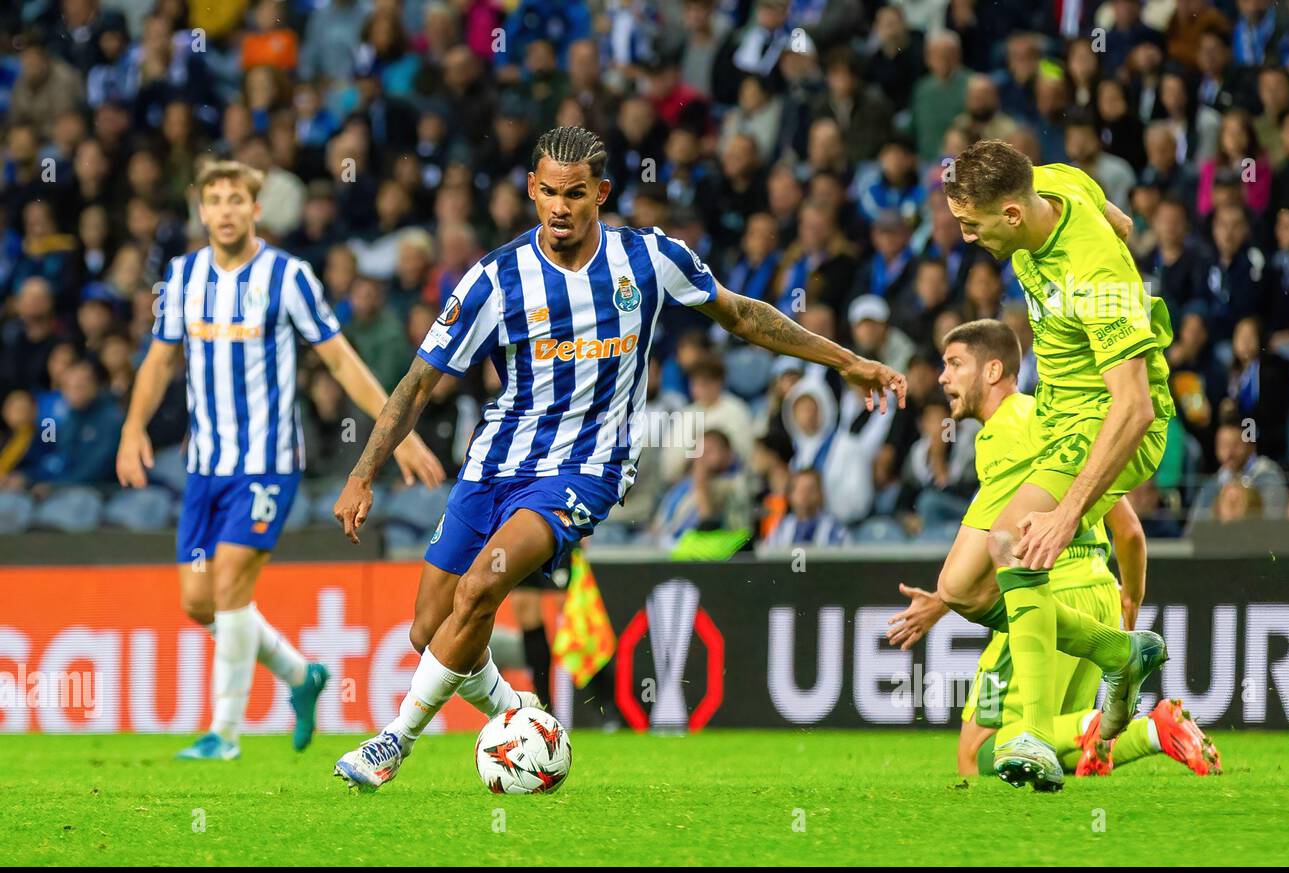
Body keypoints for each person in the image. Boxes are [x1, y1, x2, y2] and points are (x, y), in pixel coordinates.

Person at [329, 127, 906, 790]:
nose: (560, 206)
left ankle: (393, 741)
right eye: (548, 191)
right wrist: (362, 472)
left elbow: (744, 317)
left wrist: (847, 360)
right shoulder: (495, 279)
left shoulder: (650, 260)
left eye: (575, 193)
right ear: (531, 190)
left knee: (482, 586)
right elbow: (418, 384)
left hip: (587, 468)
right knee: (427, 629)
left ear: (601, 193)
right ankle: (519, 714)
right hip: (494, 463)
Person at [115, 160, 442, 761]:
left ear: (256, 209)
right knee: (199, 601)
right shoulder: (182, 276)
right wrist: (133, 425)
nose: (227, 209)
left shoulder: (288, 276)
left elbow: (341, 360)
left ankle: (224, 734)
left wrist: (399, 435)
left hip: (267, 463)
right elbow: (160, 360)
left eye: (237, 198)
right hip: (205, 465)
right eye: (214, 199)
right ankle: (300, 675)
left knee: (232, 585)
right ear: (202, 211)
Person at [886, 320, 1220, 779]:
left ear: (993, 370)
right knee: (1056, 748)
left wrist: (948, 598)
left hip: (1044, 594)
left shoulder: (1000, 433)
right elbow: (1129, 531)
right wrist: (1130, 598)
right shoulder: (1056, 428)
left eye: (954, 364)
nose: (943, 377)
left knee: (977, 753)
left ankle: (1150, 727)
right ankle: (1145, 719)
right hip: (1100, 593)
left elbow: (989, 557)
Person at [943, 139, 1176, 790]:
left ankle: (1034, 733)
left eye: (972, 225)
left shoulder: (1096, 279)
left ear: (1013, 216)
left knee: (1017, 545)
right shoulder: (1051, 181)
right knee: (963, 590)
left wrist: (1068, 514)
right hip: (1054, 415)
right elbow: (1120, 219)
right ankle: (1119, 655)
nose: (965, 237)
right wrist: (1118, 228)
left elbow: (1131, 409)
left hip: (1109, 419)